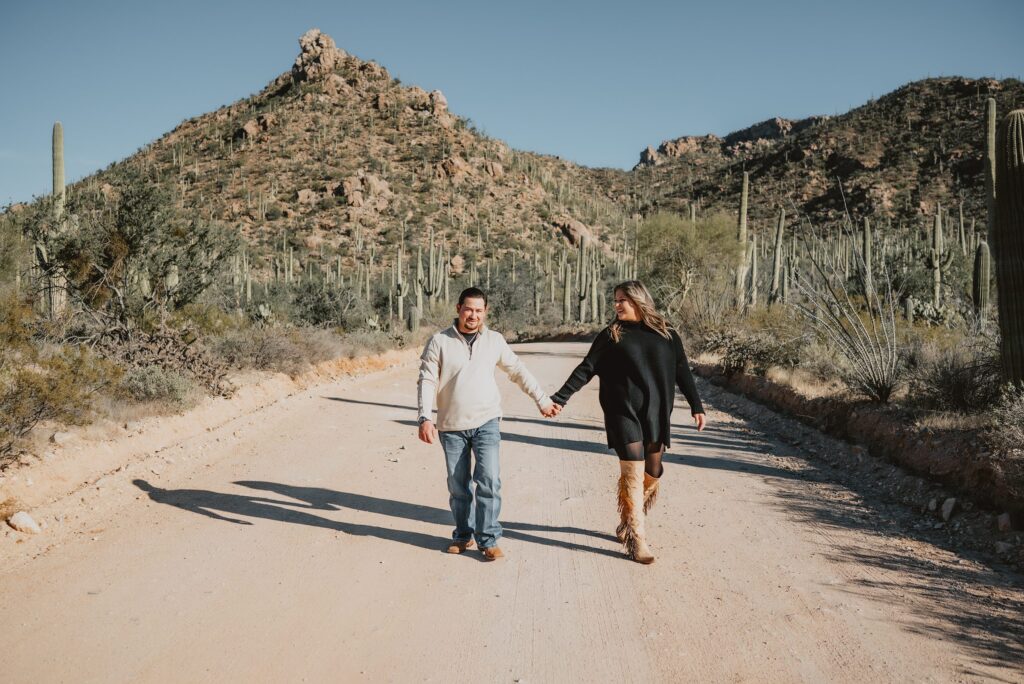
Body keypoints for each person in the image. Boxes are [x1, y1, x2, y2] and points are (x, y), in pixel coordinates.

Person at [551, 280, 707, 564]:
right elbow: (586, 369)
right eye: (615, 300)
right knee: (633, 471)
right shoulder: (612, 335)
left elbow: (682, 371)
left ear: (638, 300)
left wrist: (697, 406)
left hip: (656, 411)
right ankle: (638, 538)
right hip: (621, 410)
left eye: (622, 299)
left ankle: (628, 517)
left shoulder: (667, 333)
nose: (617, 305)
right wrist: (560, 398)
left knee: (653, 470)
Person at [417, 287, 559, 561]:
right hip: (451, 425)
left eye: (479, 310)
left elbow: (517, 370)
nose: (473, 315)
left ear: (485, 312)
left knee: (489, 481)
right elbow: (427, 380)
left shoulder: (494, 340)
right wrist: (425, 417)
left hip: (487, 422)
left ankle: (488, 539)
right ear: (458, 308)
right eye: (468, 309)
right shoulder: (439, 341)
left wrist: (541, 399)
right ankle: (462, 535)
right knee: (459, 486)